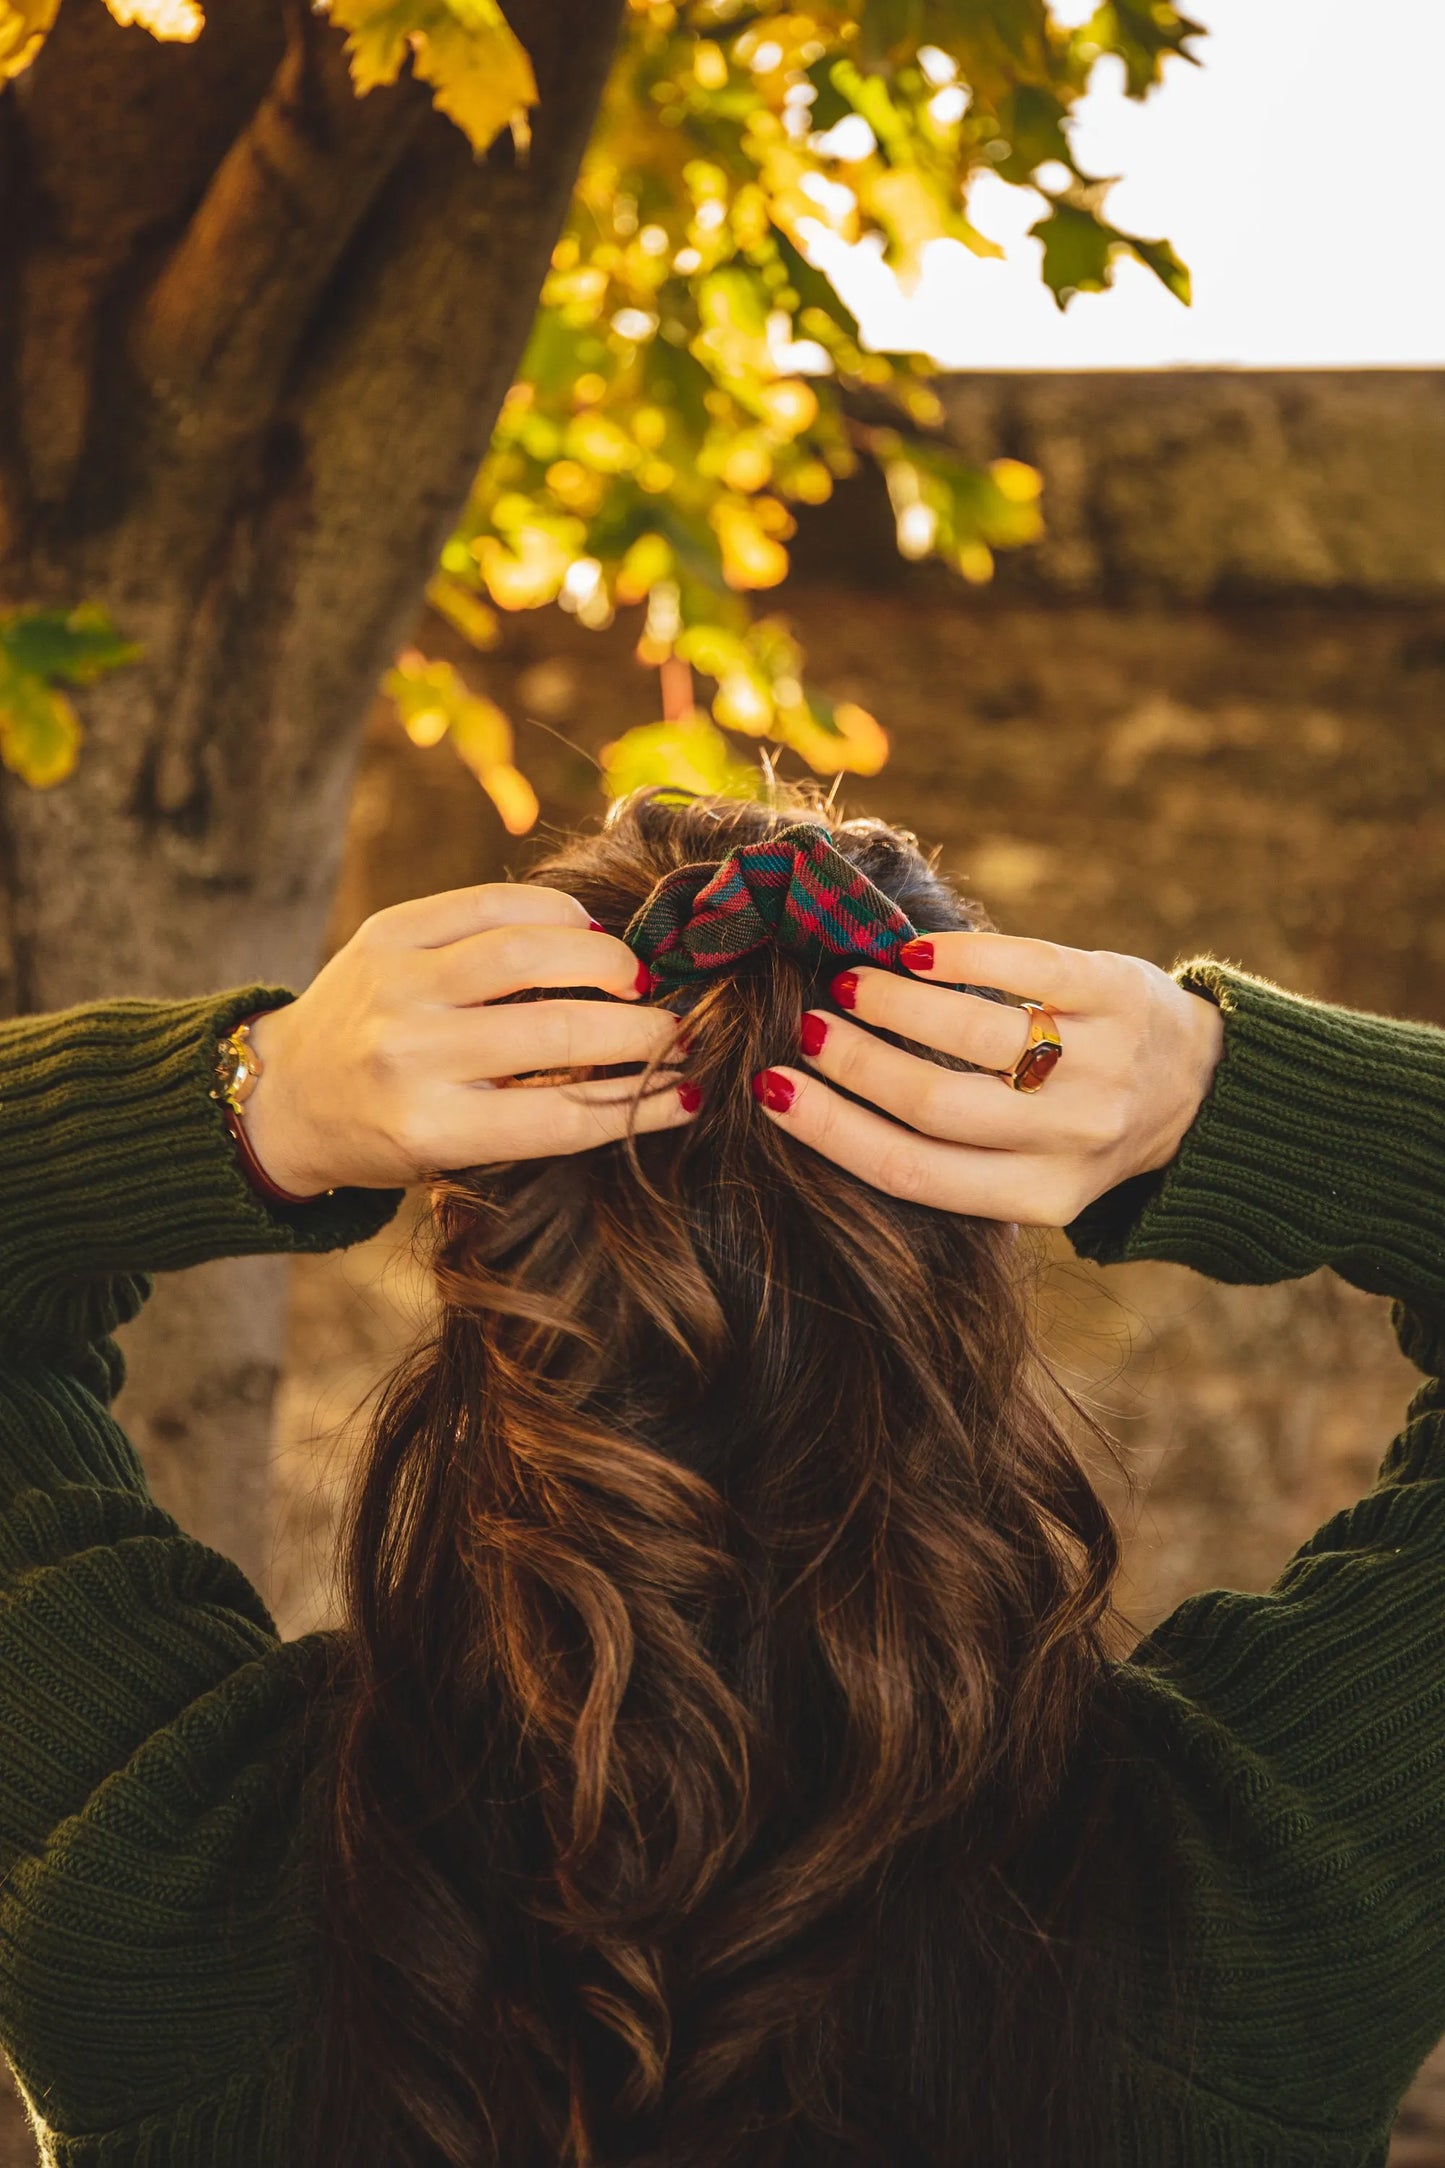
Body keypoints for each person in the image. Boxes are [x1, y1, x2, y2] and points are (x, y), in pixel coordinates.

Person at [0, 784, 1440, 2168]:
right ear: (987, 1244)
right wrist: (1215, 1090)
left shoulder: (159, 1885)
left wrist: (258, 1096)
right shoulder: (1268, 1907)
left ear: (469, 1239)